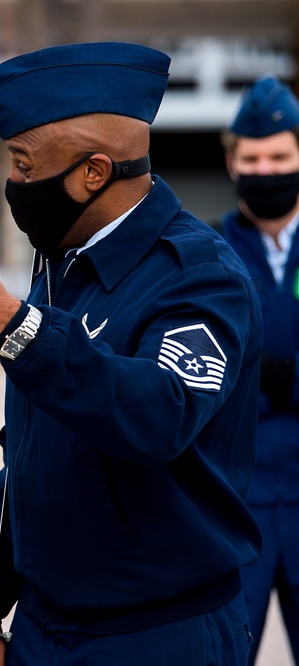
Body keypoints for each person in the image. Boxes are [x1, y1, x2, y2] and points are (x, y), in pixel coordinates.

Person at [0, 42, 263, 665]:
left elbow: (159, 415)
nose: (14, 186)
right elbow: (29, 463)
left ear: (93, 172)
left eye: (25, 167)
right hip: (44, 630)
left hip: (160, 637)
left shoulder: (199, 274)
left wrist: (11, 321)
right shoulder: (62, 272)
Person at [219, 74, 299, 665]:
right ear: (232, 161)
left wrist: (277, 376)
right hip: (234, 510)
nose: (265, 169)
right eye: (253, 158)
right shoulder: (205, 252)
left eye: (280, 156)